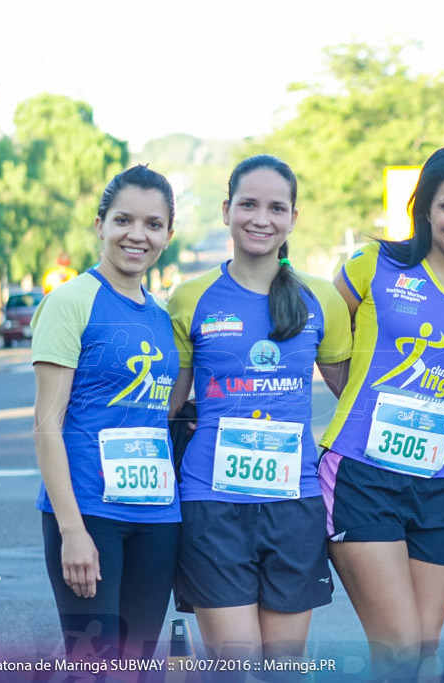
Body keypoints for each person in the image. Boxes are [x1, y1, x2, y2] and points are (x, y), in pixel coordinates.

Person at [318, 144, 444, 677]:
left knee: (422, 653)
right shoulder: (373, 264)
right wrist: (367, 404)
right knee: (400, 650)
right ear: (424, 209)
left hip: (433, 485)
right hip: (360, 474)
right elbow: (321, 341)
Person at [167, 155, 352, 663]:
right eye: (248, 204)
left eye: (276, 207)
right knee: (234, 664)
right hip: (211, 505)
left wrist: (438, 411)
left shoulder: (320, 299)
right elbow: (169, 404)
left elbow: (353, 395)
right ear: (226, 210)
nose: (260, 218)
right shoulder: (190, 297)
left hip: (295, 507)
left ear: (294, 218)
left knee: (283, 669)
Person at [31, 165, 181, 663]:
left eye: (153, 224)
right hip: (90, 512)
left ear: (168, 235)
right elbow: (47, 425)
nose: (137, 234)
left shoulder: (161, 317)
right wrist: (73, 531)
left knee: (135, 664)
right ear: (100, 225)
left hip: (158, 516)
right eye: (123, 220)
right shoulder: (71, 302)